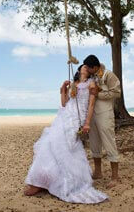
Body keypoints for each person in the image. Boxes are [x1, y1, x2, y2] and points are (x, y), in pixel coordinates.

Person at [24, 65, 108, 204]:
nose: (86, 68)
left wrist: (87, 123)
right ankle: (41, 181)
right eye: (84, 66)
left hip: (77, 118)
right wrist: (63, 89)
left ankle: (69, 182)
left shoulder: (91, 83)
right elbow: (64, 103)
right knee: (49, 143)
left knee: (67, 147)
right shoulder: (73, 84)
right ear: (80, 69)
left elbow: (91, 105)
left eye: (88, 67)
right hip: (64, 116)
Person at [83, 55, 121, 188]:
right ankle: (98, 172)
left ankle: (115, 177)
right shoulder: (90, 76)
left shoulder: (108, 75)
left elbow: (116, 93)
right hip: (92, 114)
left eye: (88, 67)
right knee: (94, 143)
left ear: (94, 67)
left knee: (109, 142)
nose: (86, 69)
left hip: (105, 113)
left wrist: (98, 94)